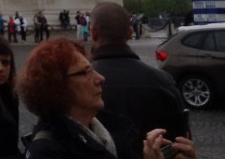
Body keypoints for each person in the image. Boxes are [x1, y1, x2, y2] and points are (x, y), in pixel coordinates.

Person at [18, 38, 198, 159]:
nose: (100, 78)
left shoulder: (114, 131)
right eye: (85, 72)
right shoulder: (46, 153)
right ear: (57, 87)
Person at [90, 2, 190, 155]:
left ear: (93, 33)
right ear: (130, 33)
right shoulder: (164, 81)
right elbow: (181, 143)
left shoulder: (77, 85)